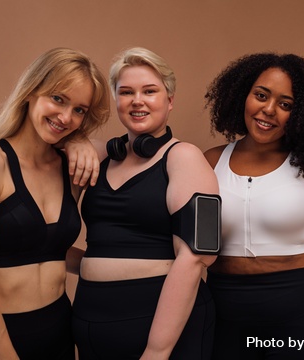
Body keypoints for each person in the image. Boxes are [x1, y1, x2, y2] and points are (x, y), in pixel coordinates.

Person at [203, 52, 304, 360]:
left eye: (286, 105)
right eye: (261, 95)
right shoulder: (209, 162)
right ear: (242, 94)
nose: (269, 110)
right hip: (227, 309)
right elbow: (196, 245)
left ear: (301, 114)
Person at [71, 47, 219, 360]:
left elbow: (198, 256)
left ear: (170, 100)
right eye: (126, 92)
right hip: (90, 321)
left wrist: (157, 349)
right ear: (116, 100)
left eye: (149, 91)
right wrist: (74, 141)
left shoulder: (186, 158)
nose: (137, 100)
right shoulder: (97, 156)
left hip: (159, 326)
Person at [0, 48, 110, 359]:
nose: (65, 117)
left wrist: (79, 141)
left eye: (80, 110)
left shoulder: (69, 168)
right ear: (31, 91)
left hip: (61, 332)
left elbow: (47, 251)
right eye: (58, 99)